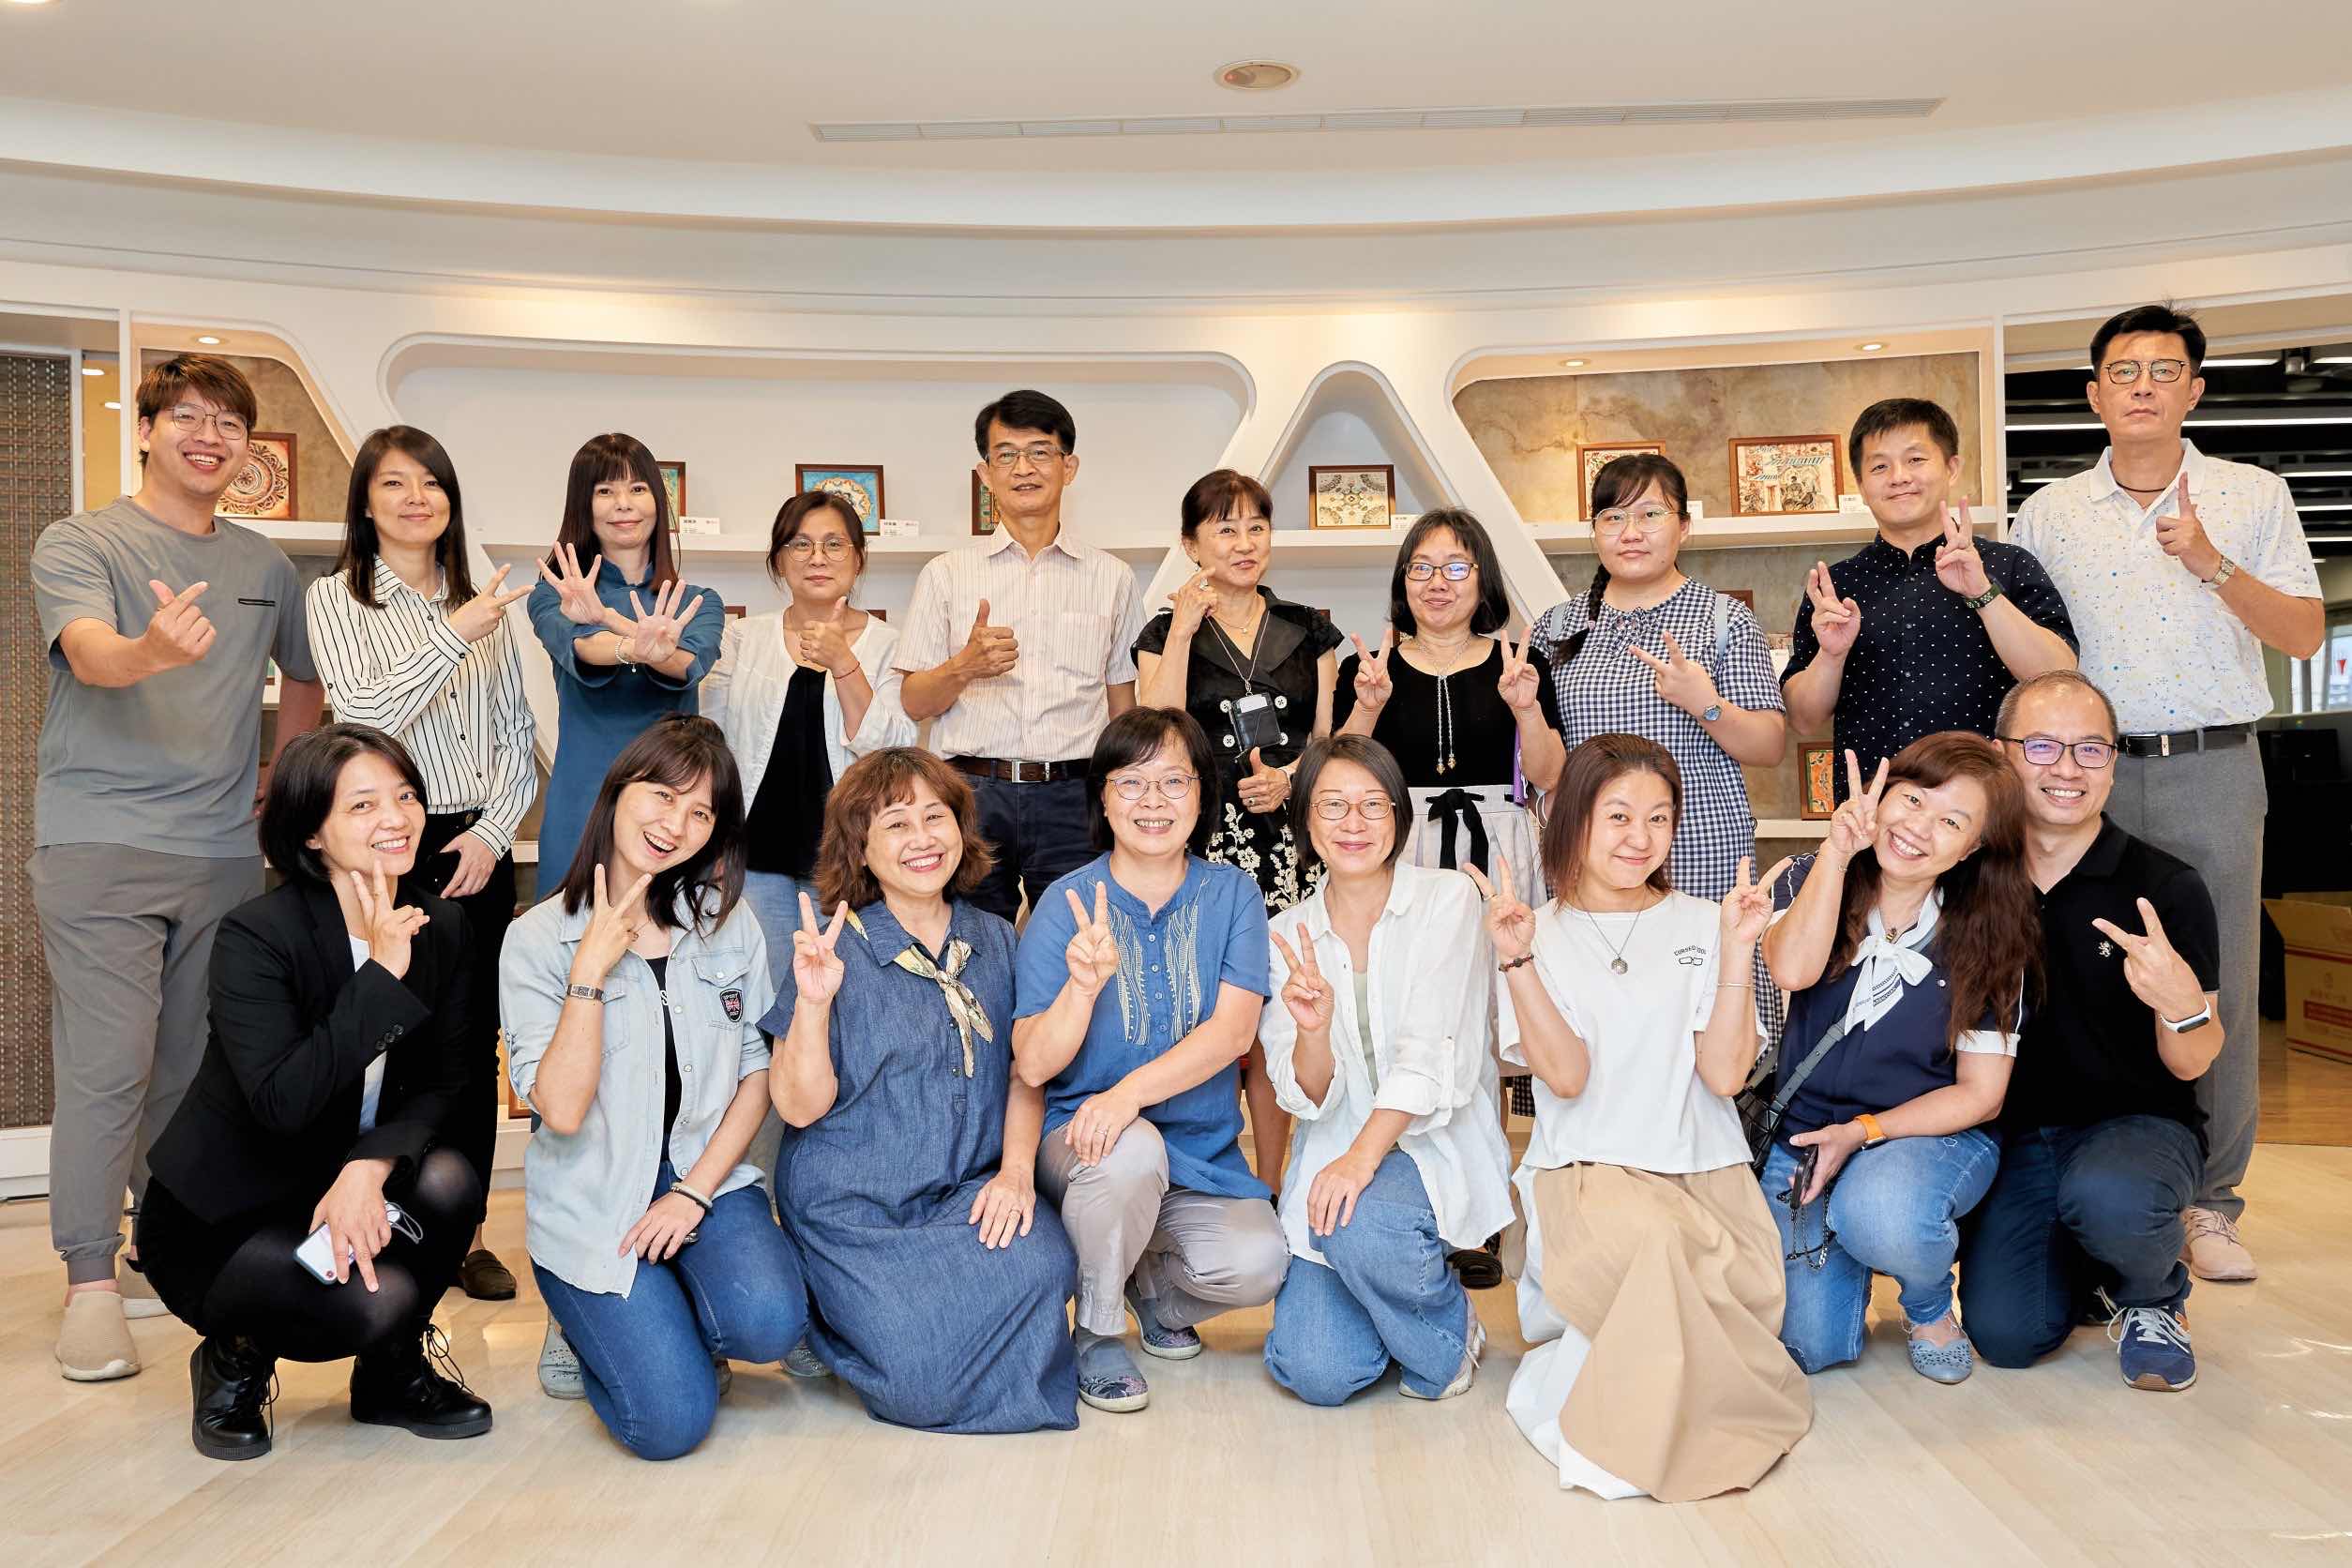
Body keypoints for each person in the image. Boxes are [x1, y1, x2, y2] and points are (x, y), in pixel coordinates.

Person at [2008, 305, 2322, 1283]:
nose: (2142, 385)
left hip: (2211, 764)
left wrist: (2210, 562)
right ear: (2094, 393)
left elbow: (2304, 634)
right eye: (2123, 370)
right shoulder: (2048, 512)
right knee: (2069, 973)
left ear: (2195, 389)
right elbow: (2022, 647)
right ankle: (2080, 1177)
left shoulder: (2254, 493)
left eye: (2164, 369)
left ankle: (2210, 1203)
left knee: (2216, 980)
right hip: (2078, 771)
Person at [31, 352, 325, 1382]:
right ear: (147, 429)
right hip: (100, 842)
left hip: (220, 851)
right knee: (108, 1063)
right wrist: (149, 649)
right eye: (188, 417)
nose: (210, 436)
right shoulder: (82, 541)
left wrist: (283, 768)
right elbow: (90, 651)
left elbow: (305, 675)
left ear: (246, 448)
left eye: (229, 423)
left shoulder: (266, 566)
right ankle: (88, 1280)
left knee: (193, 1072)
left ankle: (160, 1246)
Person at [136, 725, 490, 1460]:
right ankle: (233, 1356)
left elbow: (447, 1082)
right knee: (379, 1301)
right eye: (362, 805)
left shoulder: (444, 924)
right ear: (312, 833)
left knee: (453, 1178)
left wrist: (368, 1167)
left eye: (405, 797)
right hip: (228, 1214)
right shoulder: (257, 936)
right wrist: (380, 975)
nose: (395, 818)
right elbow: (284, 1101)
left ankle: (391, 1375)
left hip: (343, 1176)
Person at [1485, 733, 1809, 1500]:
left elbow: (1725, 1075)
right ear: (1574, 820)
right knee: (1659, 1255)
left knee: (1726, 1281)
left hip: (1707, 1172)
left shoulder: (1709, 921)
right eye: (1619, 816)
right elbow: (1565, 1078)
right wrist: (1517, 961)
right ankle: (1634, 1435)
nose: (1640, 838)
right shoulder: (1530, 930)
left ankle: (1643, 1396)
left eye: (1659, 819)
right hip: (1588, 1172)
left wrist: (1738, 952)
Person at [500, 716, 804, 1459]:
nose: (677, 825)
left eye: (701, 813)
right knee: (669, 1424)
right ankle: (594, 1321)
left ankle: (666, 1307)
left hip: (702, 1176)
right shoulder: (537, 939)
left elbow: (756, 1073)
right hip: (597, 1195)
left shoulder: (726, 925)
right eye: (663, 796)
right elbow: (560, 1110)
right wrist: (589, 971)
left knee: (771, 1322)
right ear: (618, 792)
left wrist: (692, 1193)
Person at [763, 747, 1078, 1433]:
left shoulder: (997, 939)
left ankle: (928, 1337)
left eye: (936, 818)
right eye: (896, 824)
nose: (923, 839)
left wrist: (1015, 1174)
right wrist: (813, 1002)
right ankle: (836, 1322)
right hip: (854, 1209)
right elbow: (798, 1106)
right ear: (860, 847)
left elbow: (1026, 1073)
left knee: (1050, 1261)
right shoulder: (832, 947)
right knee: (917, 1381)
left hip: (961, 1193)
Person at [306, 425, 537, 1302]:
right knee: (383, 1037)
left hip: (476, 844)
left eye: (431, 483)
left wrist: (493, 834)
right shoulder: (337, 598)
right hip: (383, 841)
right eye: (394, 484)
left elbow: (516, 735)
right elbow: (362, 716)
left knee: (469, 1045)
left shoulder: (483, 603)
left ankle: (462, 1232)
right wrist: (452, 634)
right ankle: (364, 1213)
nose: (415, 498)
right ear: (365, 502)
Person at [1012, 707, 1289, 1413]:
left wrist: (1128, 1092)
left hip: (1197, 1156)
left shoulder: (1233, 895)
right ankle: (1097, 1332)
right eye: (1131, 783)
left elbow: (1234, 1033)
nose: (1154, 801)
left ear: (1202, 795)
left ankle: (1153, 1293)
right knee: (1130, 1152)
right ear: (1103, 799)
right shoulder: (1065, 903)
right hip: (1085, 1148)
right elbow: (1033, 1064)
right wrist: (1080, 990)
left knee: (1260, 1263)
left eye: (1174, 781)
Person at [1957, 671, 2223, 1393]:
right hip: (2015, 1137)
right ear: (2001, 755)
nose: (2067, 769)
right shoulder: (1969, 879)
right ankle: (2094, 1264)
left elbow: (2193, 1061)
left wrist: (2181, 1005)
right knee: (2007, 1337)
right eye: (2042, 746)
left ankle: (2152, 1294)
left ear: (2113, 761)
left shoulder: (2165, 887)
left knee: (2111, 1198)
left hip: (2137, 1129)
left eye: (2091, 749)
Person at [1757, 733, 2038, 1384]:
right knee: (1810, 1348)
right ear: (1882, 796)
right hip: (1804, 1139)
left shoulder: (1990, 933)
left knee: (1881, 1211)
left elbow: (1980, 1095)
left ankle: (1928, 1302)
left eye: (1952, 822)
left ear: (1973, 848)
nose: (1918, 828)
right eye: (1912, 800)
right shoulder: (1810, 876)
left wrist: (1862, 1133)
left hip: (1923, 1142)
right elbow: (1792, 970)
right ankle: (1848, 1240)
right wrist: (1835, 853)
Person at [1256, 736, 1513, 1405]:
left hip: (1430, 1144)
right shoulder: (1285, 933)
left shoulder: (1448, 899)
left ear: (1399, 815)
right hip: (1336, 1155)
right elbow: (1304, 1096)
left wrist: (1360, 1161)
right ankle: (1387, 1292)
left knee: (1359, 1225)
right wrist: (1313, 1034)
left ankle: (1447, 1327)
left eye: (1373, 805)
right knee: (1318, 1373)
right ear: (1305, 818)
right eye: (1333, 805)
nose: (1355, 823)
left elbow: (1430, 1055)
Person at [1525, 454, 1788, 1036]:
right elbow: (1546, 766)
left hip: (1699, 844)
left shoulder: (1724, 620)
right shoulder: (1557, 626)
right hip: (1593, 850)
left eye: (1650, 514)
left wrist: (1706, 703)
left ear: (1684, 527)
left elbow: (1770, 743)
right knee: (1597, 1013)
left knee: (1705, 1008)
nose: (1631, 532)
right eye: (1614, 517)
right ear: (1595, 531)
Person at [1134, 468, 1340, 1186]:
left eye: (1257, 526)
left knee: (1283, 1008)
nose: (1244, 542)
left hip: (1292, 843)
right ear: (1192, 545)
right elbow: (1155, 729)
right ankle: (1206, 1174)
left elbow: (1328, 739)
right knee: (1212, 1010)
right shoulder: (1164, 630)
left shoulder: (1309, 629)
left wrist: (1290, 779)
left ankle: (1275, 1181)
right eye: (1225, 529)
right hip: (1204, 842)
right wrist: (1185, 631)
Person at [894, 389, 1147, 924]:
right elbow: (914, 701)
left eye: (1040, 452)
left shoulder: (1113, 577)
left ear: (1068, 467)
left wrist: (1123, 792)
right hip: (970, 792)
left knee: (1081, 941)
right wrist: (965, 666)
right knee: (966, 942)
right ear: (985, 473)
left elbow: (1122, 706)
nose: (1023, 468)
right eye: (1006, 454)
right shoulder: (946, 574)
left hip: (1075, 794)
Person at [1781, 398, 2075, 798]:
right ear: (1861, 486)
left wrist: (1983, 593)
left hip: (1986, 807)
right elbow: (1802, 719)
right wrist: (1831, 657)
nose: (1899, 477)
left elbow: (2060, 677)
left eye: (1916, 459)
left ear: (1951, 468)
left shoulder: (2007, 564)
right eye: (1879, 466)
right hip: (1870, 808)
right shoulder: (1835, 586)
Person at [703, 489, 914, 976]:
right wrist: (714, 842)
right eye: (800, 544)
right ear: (779, 561)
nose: (817, 558)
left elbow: (891, 755)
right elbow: (713, 747)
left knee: (848, 987)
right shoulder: (742, 638)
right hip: (756, 859)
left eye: (834, 544)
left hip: (851, 857)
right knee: (769, 991)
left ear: (858, 559)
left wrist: (843, 660)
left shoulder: (889, 644)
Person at [1335, 506, 1566, 894]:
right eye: (1421, 568)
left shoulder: (1521, 665)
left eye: (1456, 568)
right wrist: (1368, 708)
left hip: (1500, 844)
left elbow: (1548, 777)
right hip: (1398, 840)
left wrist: (1526, 709)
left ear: (1483, 580)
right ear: (1403, 581)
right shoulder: (1366, 670)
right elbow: (1339, 776)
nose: (1437, 583)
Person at [529, 431, 726, 885]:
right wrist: (632, 645)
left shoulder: (698, 601)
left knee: (669, 923)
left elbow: (686, 664)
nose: (623, 504)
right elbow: (582, 647)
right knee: (571, 924)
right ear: (583, 505)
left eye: (637, 488)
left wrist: (615, 624)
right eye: (605, 491)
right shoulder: (557, 592)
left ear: (657, 500)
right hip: (584, 799)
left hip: (673, 808)